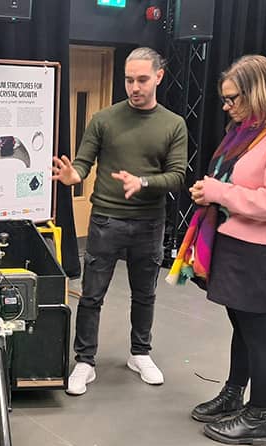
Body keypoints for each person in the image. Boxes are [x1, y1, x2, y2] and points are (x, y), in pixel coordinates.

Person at [187, 55, 266, 446]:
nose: (228, 108)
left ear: (258, 91)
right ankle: (234, 394)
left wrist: (219, 191)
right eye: (225, 100)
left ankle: (258, 418)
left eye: (233, 99)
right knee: (241, 327)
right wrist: (212, 192)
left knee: (259, 333)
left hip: (259, 251)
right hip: (235, 242)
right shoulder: (252, 131)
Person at [52, 47, 187, 395]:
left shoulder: (173, 124)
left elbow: (176, 176)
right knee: (92, 294)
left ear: (159, 76)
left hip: (149, 223)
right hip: (106, 221)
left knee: (145, 294)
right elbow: (83, 163)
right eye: (129, 79)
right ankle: (84, 361)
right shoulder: (104, 119)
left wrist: (143, 182)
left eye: (142, 79)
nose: (134, 86)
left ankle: (140, 353)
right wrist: (73, 176)